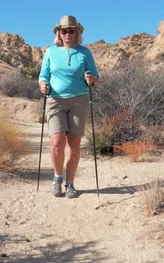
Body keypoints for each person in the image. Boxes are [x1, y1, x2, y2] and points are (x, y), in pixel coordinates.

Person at [38, 15, 100, 198]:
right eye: (63, 30)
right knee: (57, 142)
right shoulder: (50, 52)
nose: (67, 34)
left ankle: (70, 183)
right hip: (55, 100)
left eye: (71, 30)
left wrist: (92, 79)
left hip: (79, 101)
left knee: (74, 144)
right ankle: (58, 178)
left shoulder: (84, 52)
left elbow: (95, 78)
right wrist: (43, 85)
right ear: (59, 32)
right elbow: (43, 75)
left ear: (76, 32)